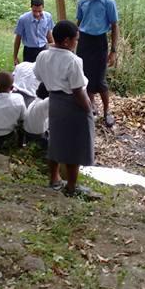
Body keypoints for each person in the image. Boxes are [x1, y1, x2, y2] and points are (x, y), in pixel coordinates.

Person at [33, 20, 96, 199]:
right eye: (76, 39)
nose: (77, 43)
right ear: (67, 41)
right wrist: (88, 109)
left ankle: (54, 178)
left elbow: (39, 75)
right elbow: (77, 90)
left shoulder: (43, 55)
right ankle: (72, 185)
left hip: (54, 100)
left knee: (56, 139)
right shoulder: (73, 60)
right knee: (74, 145)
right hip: (72, 104)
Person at [76, 0, 119, 127]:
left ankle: (107, 111)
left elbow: (114, 26)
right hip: (84, 41)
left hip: (99, 41)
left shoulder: (107, 1)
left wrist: (113, 51)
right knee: (85, 76)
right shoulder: (82, 1)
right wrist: (75, 40)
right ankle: (91, 107)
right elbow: (79, 22)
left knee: (100, 79)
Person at [13, 0, 54, 65]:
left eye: (39, 11)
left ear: (43, 7)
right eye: (34, 11)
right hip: (29, 51)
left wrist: (53, 48)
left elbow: (48, 33)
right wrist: (15, 57)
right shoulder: (23, 19)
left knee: (44, 71)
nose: (37, 14)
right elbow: (18, 38)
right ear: (31, 7)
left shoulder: (48, 17)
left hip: (43, 49)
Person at [22, 83, 49, 149]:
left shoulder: (35, 101)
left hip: (27, 131)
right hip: (38, 135)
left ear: (36, 91)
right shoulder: (43, 104)